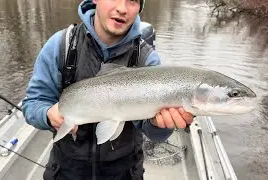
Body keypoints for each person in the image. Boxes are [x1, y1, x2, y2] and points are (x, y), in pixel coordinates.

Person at [22, 0, 194, 179]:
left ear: (140, 7)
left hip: (125, 171)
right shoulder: (61, 45)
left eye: (133, 1)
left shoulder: (147, 60)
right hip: (66, 169)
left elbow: (152, 132)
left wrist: (160, 125)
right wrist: (48, 115)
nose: (122, 9)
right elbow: (32, 104)